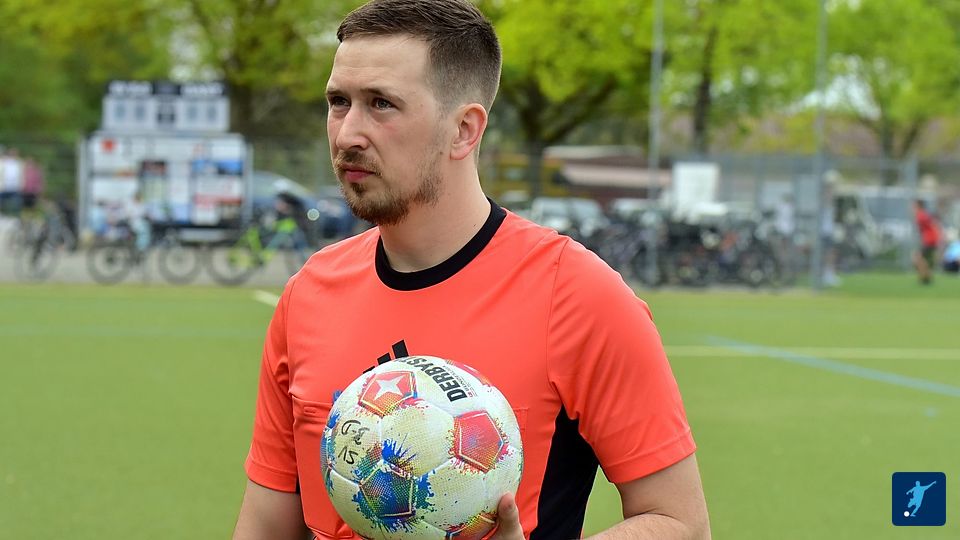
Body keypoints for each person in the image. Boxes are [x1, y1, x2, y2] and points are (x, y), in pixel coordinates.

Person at [233, 1, 710, 539]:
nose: (347, 134)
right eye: (339, 102)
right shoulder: (308, 295)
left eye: (382, 104)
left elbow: (681, 523)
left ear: (464, 129)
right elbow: (266, 526)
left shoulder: (577, 295)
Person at [912, 199, 940, 285]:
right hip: (930, 240)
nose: (911, 208)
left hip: (929, 240)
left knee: (917, 258)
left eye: (913, 206)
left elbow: (932, 225)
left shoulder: (921, 215)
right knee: (922, 259)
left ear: (918, 206)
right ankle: (926, 277)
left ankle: (926, 277)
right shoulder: (922, 215)